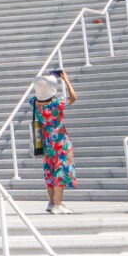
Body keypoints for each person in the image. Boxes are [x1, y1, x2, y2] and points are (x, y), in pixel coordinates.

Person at [29, 67, 79, 212]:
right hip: (60, 141)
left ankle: (52, 202)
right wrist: (66, 80)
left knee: (50, 171)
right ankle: (57, 204)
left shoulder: (34, 104)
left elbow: (36, 96)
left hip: (45, 141)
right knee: (60, 170)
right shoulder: (57, 104)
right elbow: (74, 97)